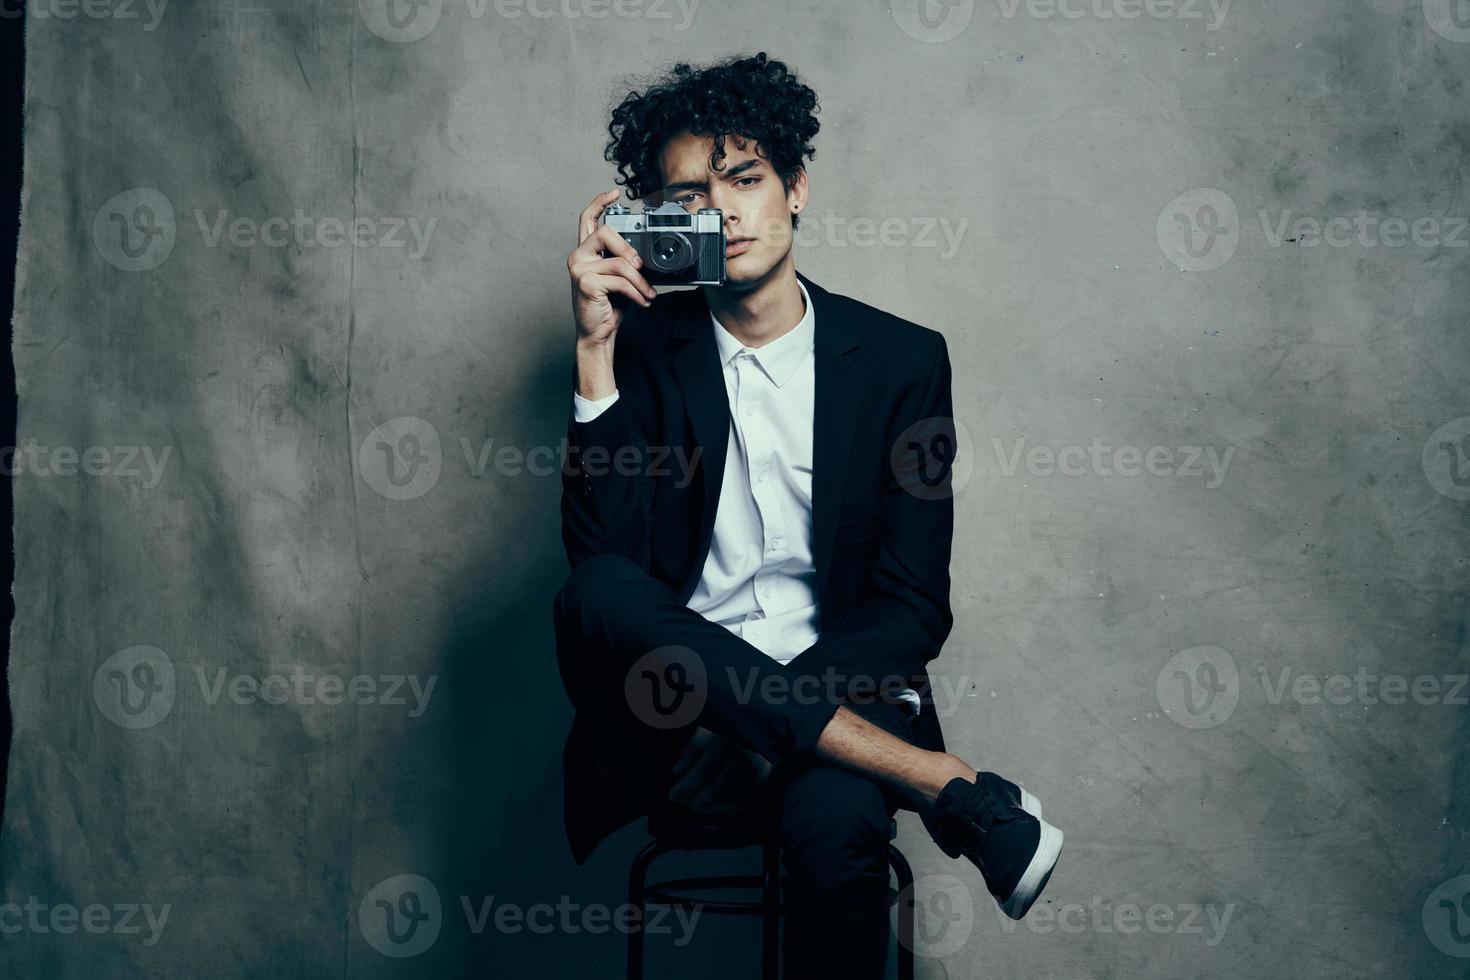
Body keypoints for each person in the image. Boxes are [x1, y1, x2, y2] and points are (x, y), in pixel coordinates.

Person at [553, 51, 1062, 978]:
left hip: (833, 711)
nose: (727, 211)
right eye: (692, 196)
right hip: (672, 722)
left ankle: (854, 759)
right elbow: (603, 575)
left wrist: (756, 719)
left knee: (836, 824)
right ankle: (948, 787)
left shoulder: (905, 362)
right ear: (667, 220)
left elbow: (913, 606)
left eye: (745, 178)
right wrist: (594, 348)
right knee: (594, 589)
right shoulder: (638, 349)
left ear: (796, 186)